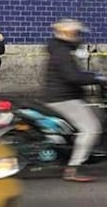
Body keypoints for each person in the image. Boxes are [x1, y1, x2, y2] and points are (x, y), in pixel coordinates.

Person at [44, 19, 103, 183]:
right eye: (76, 33)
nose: (78, 37)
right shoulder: (62, 52)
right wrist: (96, 77)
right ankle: (73, 168)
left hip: (60, 95)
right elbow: (73, 76)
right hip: (64, 98)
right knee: (91, 128)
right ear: (67, 34)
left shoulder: (59, 49)